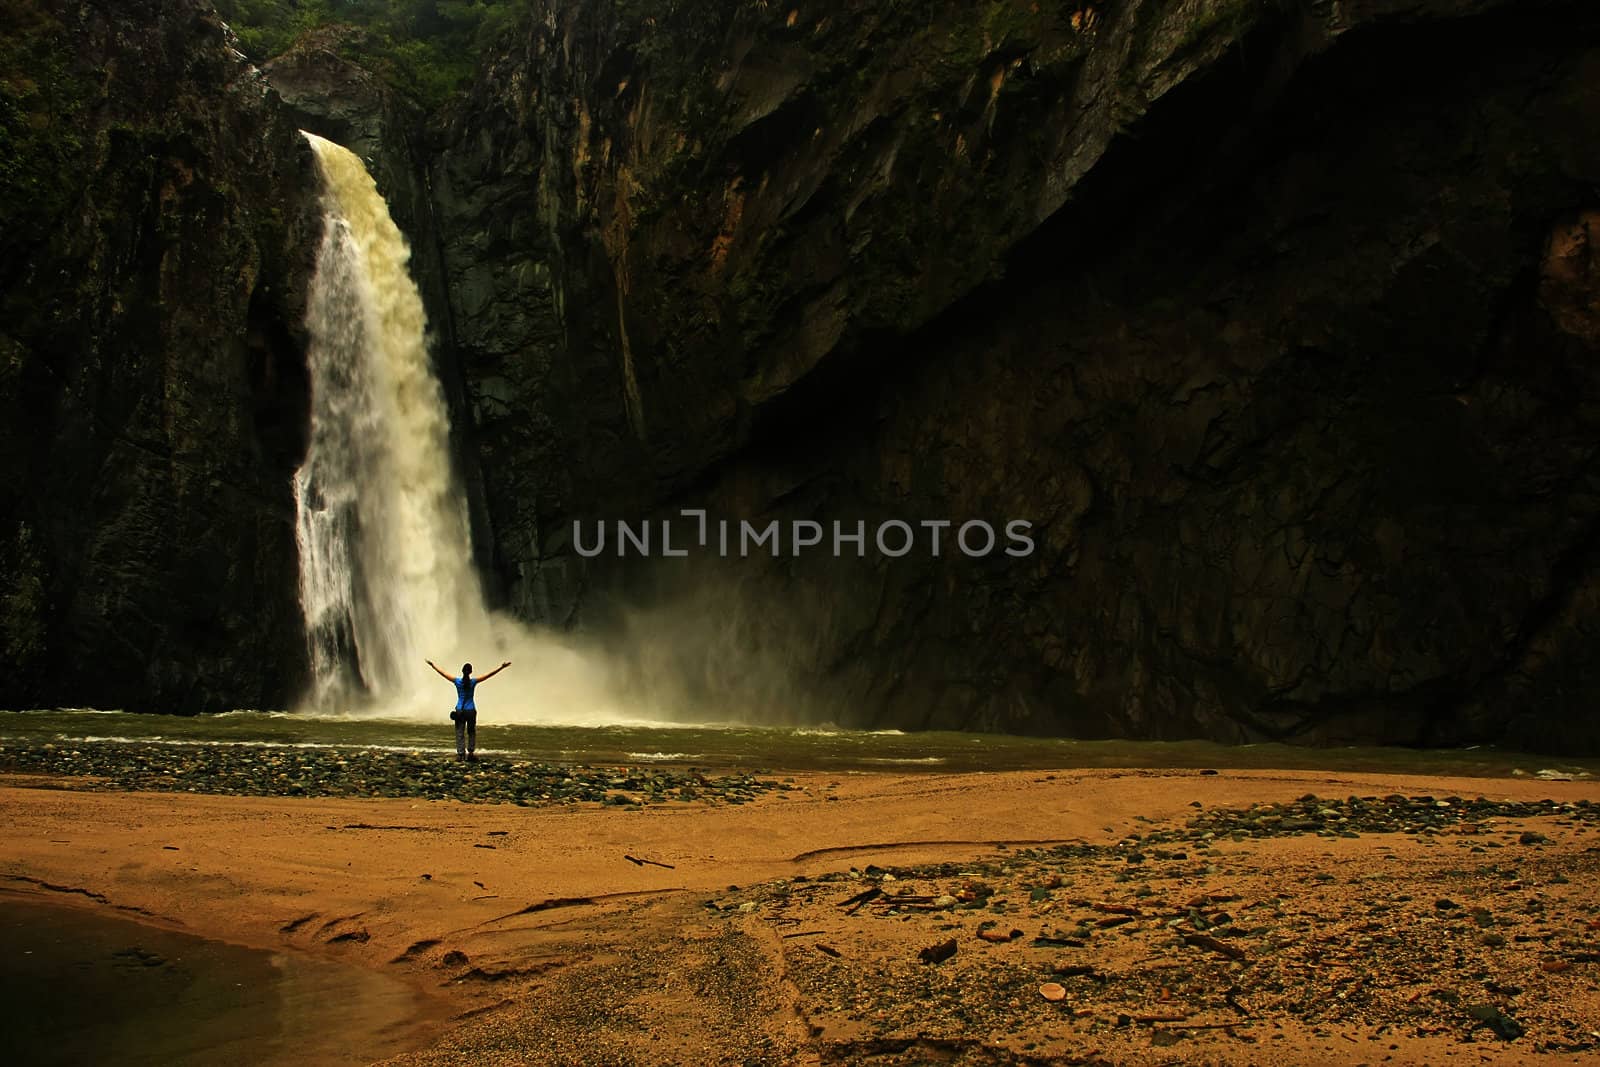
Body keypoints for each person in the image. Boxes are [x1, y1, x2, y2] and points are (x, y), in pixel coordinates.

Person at [426, 658, 510, 762]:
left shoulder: (457, 681)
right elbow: (488, 675)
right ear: (470, 672)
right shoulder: (473, 682)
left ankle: (461, 754)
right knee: (471, 732)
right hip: (471, 710)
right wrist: (502, 667)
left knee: (460, 732)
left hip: (460, 710)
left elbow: (443, 674)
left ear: (462, 671)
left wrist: (433, 665)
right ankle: (470, 753)